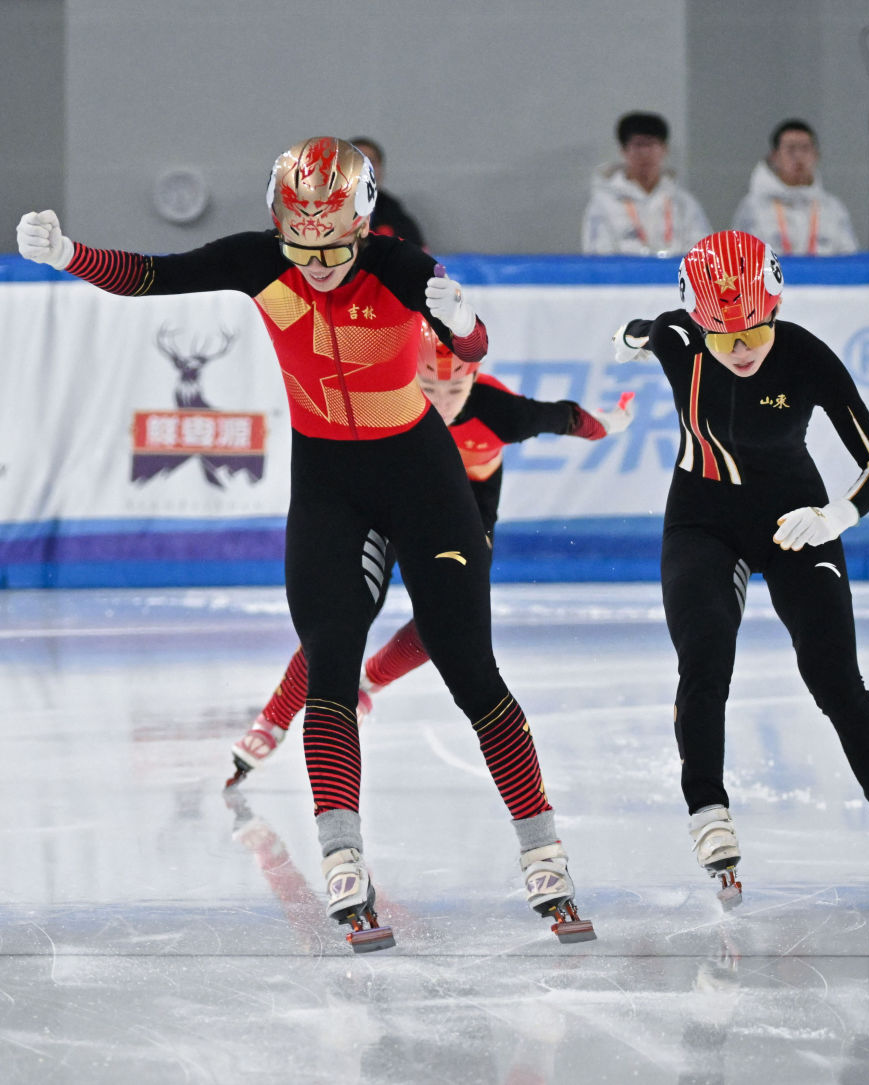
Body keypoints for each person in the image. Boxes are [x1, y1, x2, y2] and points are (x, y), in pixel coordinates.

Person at [16, 136, 596, 950]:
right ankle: (342, 855)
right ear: (279, 226)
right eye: (302, 246)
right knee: (330, 657)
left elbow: (469, 351)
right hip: (330, 486)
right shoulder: (261, 261)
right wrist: (70, 254)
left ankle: (544, 852)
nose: (318, 263)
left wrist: (467, 331)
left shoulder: (396, 265)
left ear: (361, 225)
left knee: (471, 666)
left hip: (424, 480)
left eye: (333, 247)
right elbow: (155, 274)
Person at [611, 229, 869, 909]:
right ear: (698, 320)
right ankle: (707, 809)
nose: (741, 349)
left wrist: (835, 516)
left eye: (755, 329)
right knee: (704, 655)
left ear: (775, 307)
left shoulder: (803, 356)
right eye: (723, 335)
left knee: (833, 674)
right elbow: (641, 331)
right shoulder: (681, 339)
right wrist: (629, 339)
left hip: (796, 520)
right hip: (701, 521)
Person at [228, 324, 635, 776]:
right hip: (388, 498)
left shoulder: (502, 413)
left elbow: (570, 419)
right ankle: (275, 718)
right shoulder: (377, 399)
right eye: (428, 386)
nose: (442, 401)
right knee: (344, 613)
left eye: (456, 387)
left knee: (445, 626)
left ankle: (369, 682)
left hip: (463, 511)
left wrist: (615, 420)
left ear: (475, 379)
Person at [582, 111, 710, 257]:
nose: (645, 153)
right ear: (623, 150)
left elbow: (702, 253)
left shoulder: (683, 203)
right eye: (638, 145)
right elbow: (598, 256)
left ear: (664, 149)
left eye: (651, 144)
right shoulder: (604, 204)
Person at [731, 119, 858, 255]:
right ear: (774, 157)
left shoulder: (833, 208)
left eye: (805, 149)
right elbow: (739, 258)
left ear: (816, 155)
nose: (798, 157)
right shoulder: (753, 207)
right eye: (790, 149)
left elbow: (849, 257)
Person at [350, 136, 426, 247]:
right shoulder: (320, 215)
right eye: (356, 162)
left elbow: (420, 259)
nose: (364, 170)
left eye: (371, 162)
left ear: (380, 170)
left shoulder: (397, 219)